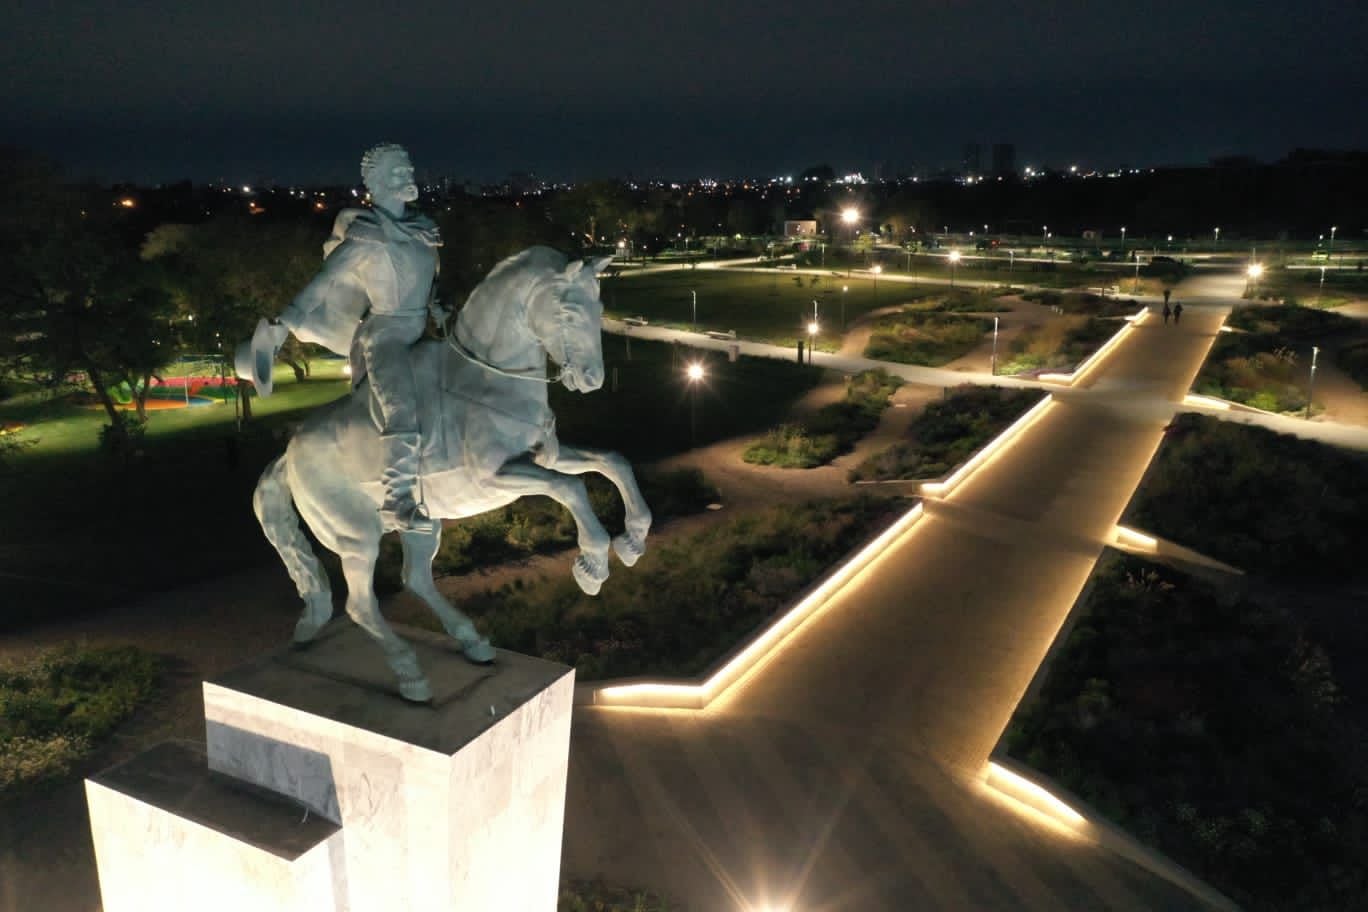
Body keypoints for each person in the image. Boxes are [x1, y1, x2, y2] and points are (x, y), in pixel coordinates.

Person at [240, 143, 445, 531]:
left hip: (422, 331)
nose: (409, 176)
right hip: (385, 337)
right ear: (377, 183)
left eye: (409, 169)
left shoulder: (424, 230)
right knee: (400, 409)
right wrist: (283, 324)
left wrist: (439, 305)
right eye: (399, 172)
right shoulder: (366, 237)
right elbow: (323, 283)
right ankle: (398, 499)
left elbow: (428, 283)